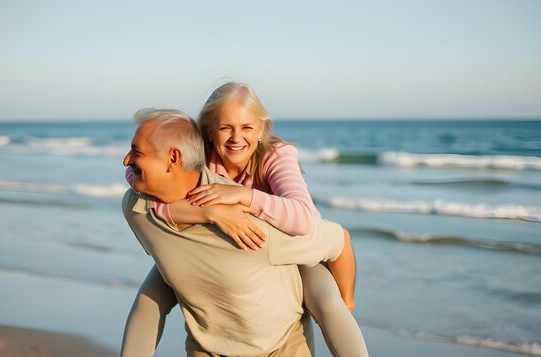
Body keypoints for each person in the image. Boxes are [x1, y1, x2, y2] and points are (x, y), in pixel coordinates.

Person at [122, 83, 368, 357]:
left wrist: (246, 196)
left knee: (326, 298)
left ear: (261, 130)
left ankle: (346, 302)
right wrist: (204, 212)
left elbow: (303, 220)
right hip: (208, 246)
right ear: (209, 131)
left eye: (247, 127)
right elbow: (140, 178)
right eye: (226, 127)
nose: (236, 137)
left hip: (285, 241)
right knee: (154, 289)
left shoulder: (275, 156)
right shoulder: (200, 154)